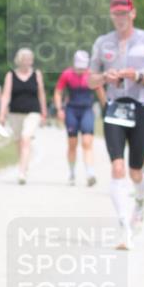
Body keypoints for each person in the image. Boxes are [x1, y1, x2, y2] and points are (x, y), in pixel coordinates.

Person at [88, 0, 144, 250]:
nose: (120, 18)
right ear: (111, 15)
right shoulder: (102, 43)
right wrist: (104, 76)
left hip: (141, 108)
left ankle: (140, 200)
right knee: (116, 167)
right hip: (115, 109)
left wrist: (138, 76)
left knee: (136, 170)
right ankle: (124, 228)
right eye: (116, 13)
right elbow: (90, 80)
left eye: (125, 13)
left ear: (133, 14)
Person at [53, 49, 106, 186]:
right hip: (71, 110)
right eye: (78, 67)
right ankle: (72, 172)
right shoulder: (67, 74)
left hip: (87, 110)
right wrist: (59, 109)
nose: (80, 70)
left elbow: (100, 91)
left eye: (83, 67)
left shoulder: (91, 75)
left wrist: (106, 107)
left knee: (87, 142)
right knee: (72, 144)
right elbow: (58, 92)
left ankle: (90, 173)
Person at [0, 48, 47, 184]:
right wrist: (2, 114)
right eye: (25, 59)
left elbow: (41, 94)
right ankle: (23, 164)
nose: (27, 62)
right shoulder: (10, 75)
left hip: (33, 112)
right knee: (19, 141)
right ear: (19, 61)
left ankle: (22, 172)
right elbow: (6, 95)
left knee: (26, 138)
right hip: (15, 113)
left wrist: (44, 112)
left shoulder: (37, 75)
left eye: (29, 60)